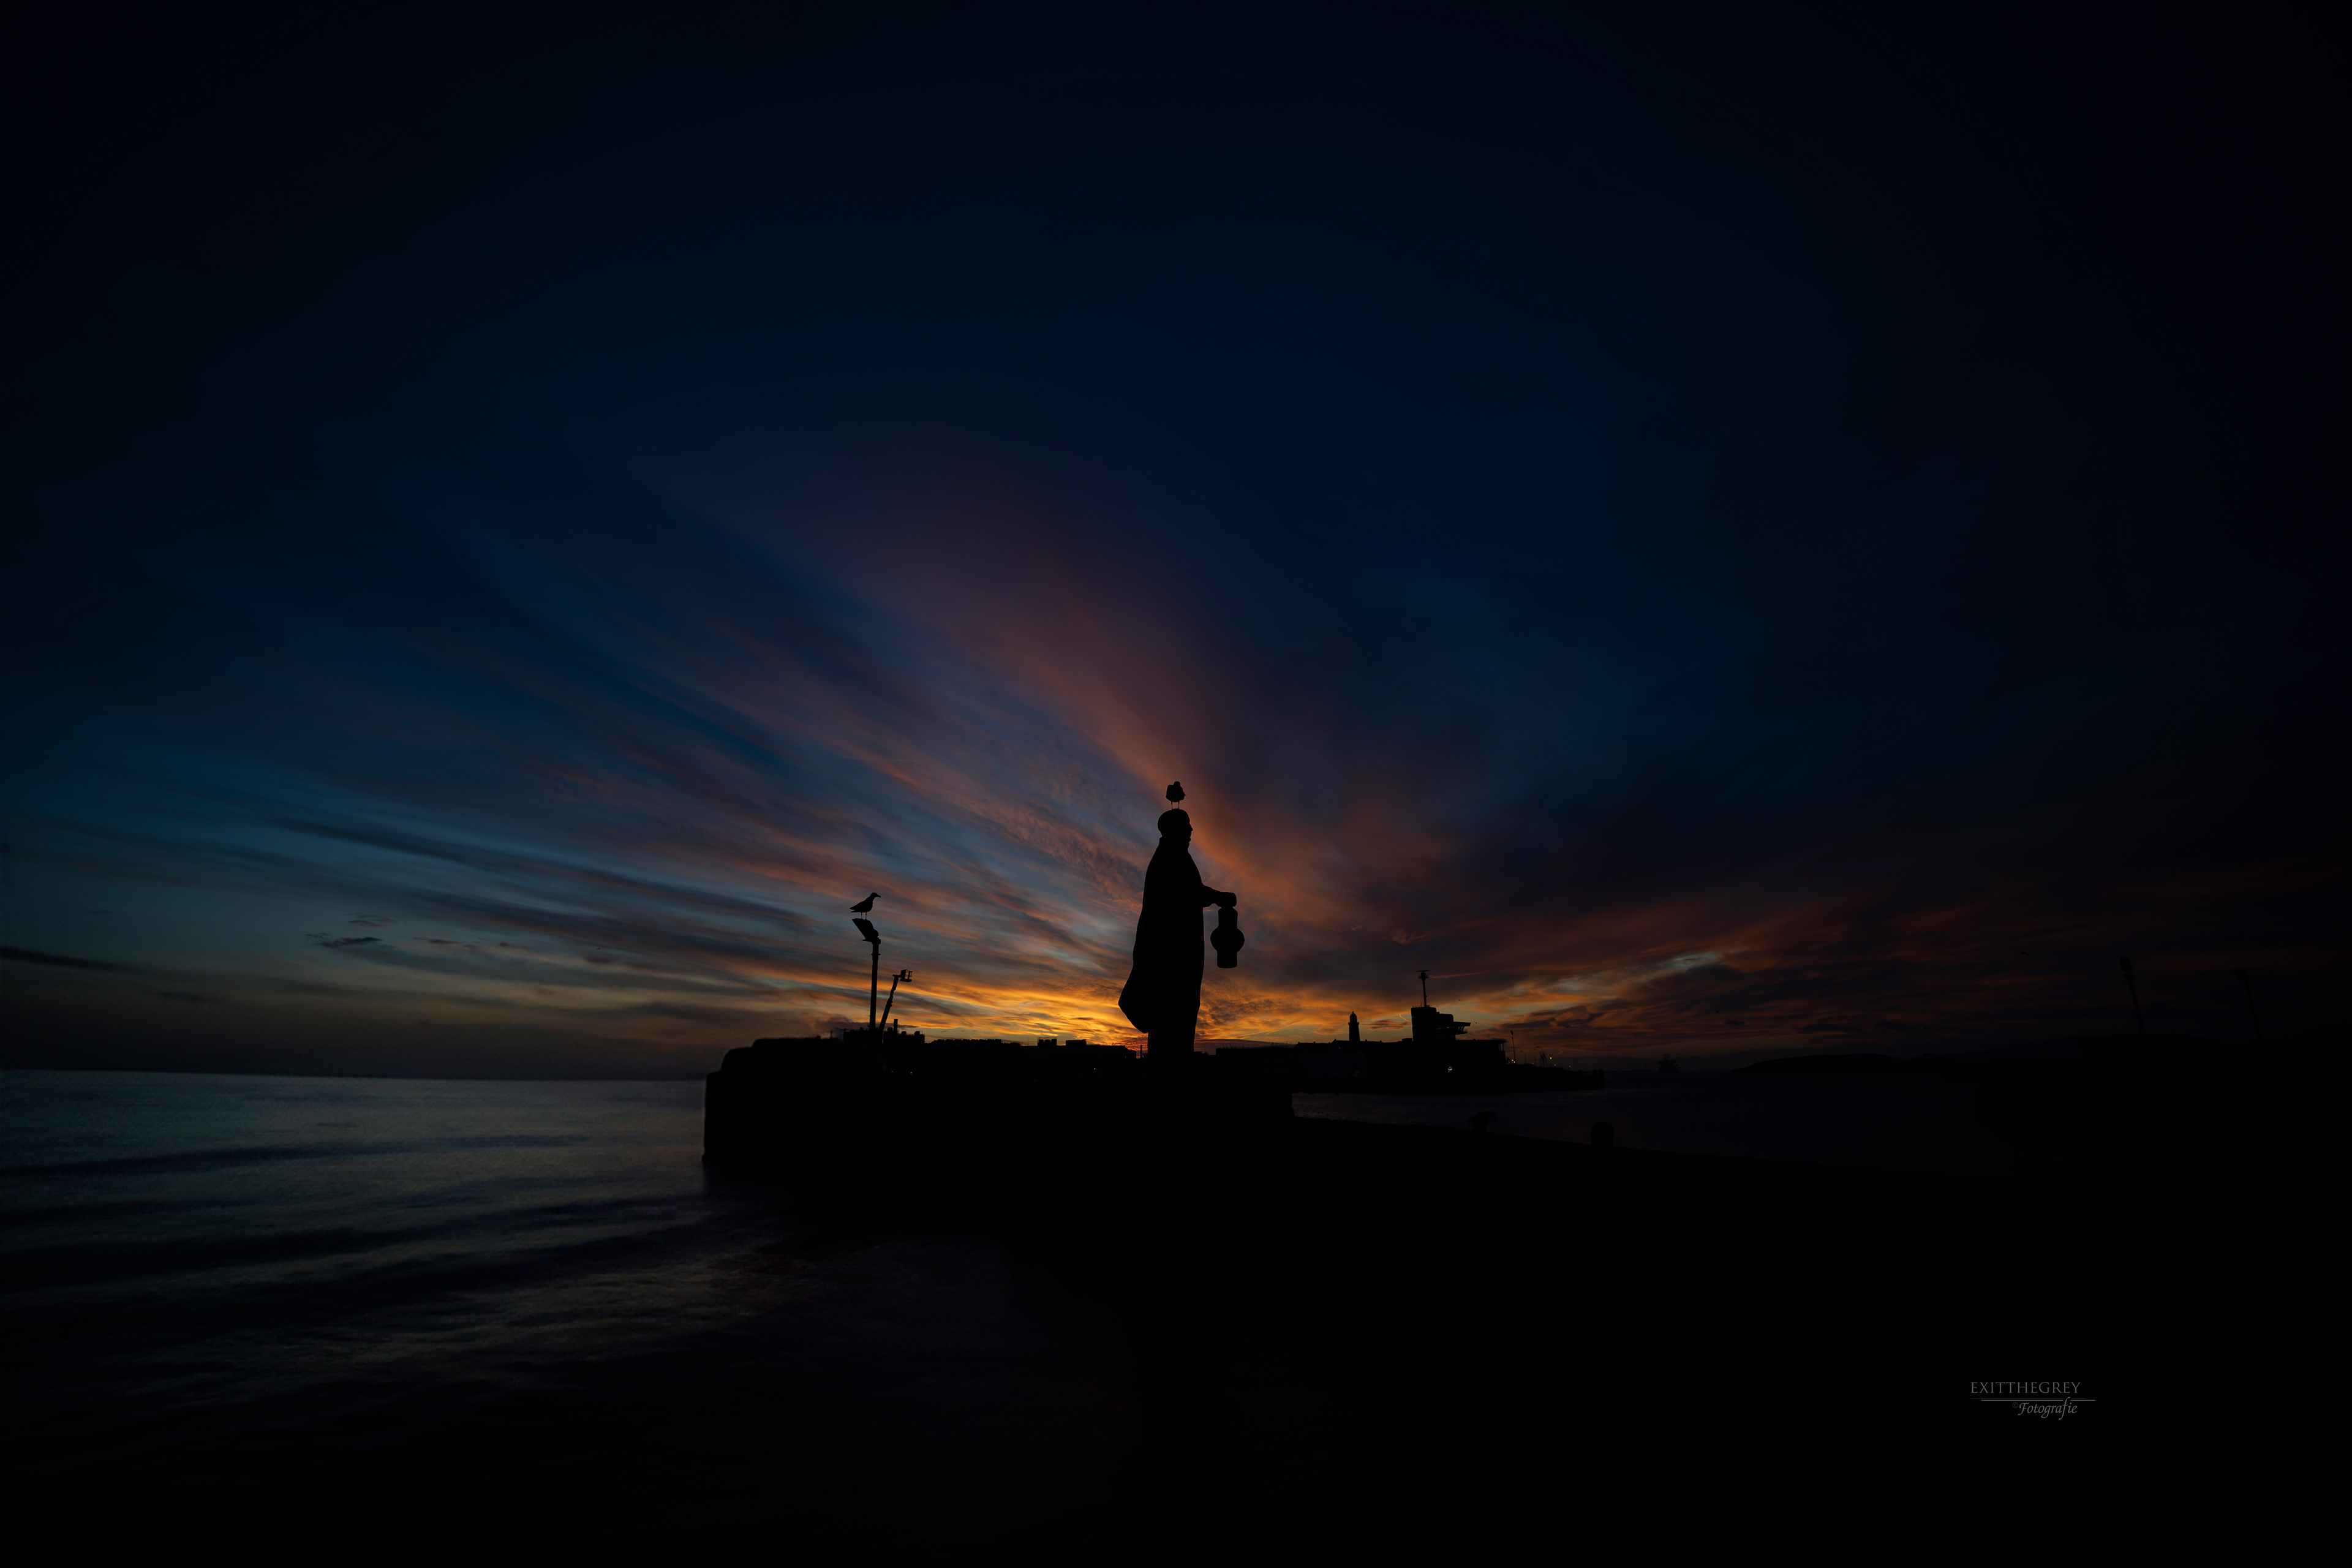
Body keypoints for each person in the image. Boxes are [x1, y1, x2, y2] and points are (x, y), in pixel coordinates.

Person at [1118, 808, 1236, 1059]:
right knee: (1179, 1005)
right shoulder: (1174, 855)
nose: (1191, 831)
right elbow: (1191, 891)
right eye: (1187, 825)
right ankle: (1175, 1065)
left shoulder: (1166, 856)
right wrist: (1220, 897)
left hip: (1168, 947)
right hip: (1175, 951)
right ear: (1175, 829)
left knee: (1173, 1006)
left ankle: (1172, 1063)